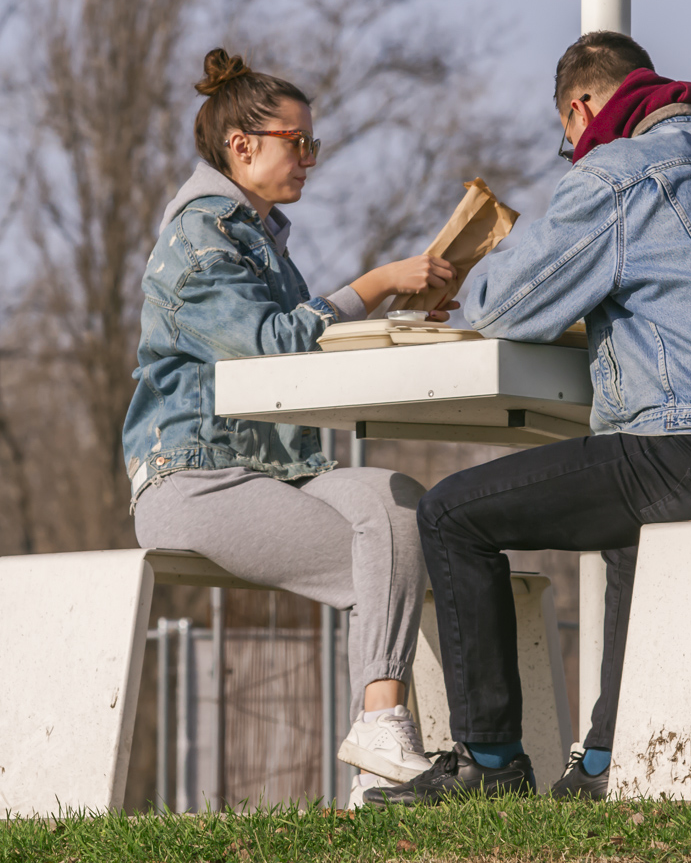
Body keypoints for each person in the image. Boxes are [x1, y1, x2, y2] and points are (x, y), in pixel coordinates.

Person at [364, 31, 691, 807]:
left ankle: (488, 765)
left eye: (567, 136)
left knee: (450, 513)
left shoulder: (618, 172)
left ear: (583, 108)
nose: (572, 151)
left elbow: (509, 304)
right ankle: (605, 763)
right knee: (626, 526)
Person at [125, 48, 458, 806]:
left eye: (314, 143)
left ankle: (380, 745)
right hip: (195, 479)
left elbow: (298, 356)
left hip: (278, 470)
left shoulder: (258, 236)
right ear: (241, 146)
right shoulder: (199, 237)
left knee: (404, 502)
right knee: (380, 567)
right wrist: (373, 286)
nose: (309, 157)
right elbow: (273, 344)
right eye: (295, 142)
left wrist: (399, 317)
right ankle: (384, 752)